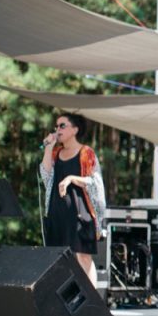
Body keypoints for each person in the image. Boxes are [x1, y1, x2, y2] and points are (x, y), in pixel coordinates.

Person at [40, 113, 106, 286]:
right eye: (56, 126)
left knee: (83, 257)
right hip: (57, 213)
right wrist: (48, 147)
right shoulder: (55, 152)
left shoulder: (86, 153)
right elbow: (45, 176)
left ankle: (92, 299)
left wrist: (71, 178)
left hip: (80, 214)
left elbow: (95, 183)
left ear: (75, 130)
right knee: (58, 260)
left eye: (62, 126)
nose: (57, 129)